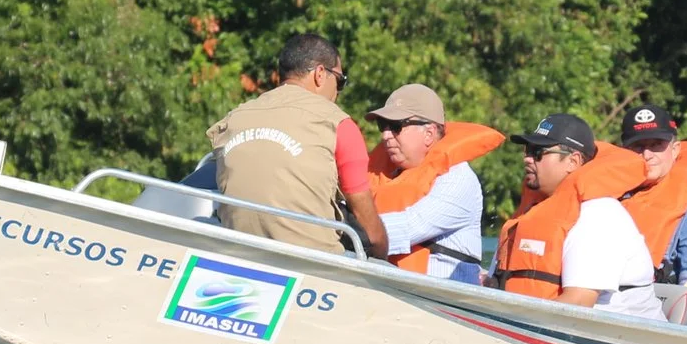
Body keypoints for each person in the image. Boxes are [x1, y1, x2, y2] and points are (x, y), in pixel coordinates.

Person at [207, 33, 388, 255]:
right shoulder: (337, 123)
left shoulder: (234, 118)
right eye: (340, 81)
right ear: (320, 74)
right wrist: (382, 257)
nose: (338, 92)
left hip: (237, 252)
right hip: (312, 263)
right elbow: (370, 229)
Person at [490, 114, 661, 318]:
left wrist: (510, 318)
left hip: (619, 336)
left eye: (538, 152)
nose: (527, 159)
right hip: (552, 328)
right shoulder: (533, 212)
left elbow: (578, 303)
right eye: (527, 150)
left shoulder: (598, 215)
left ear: (573, 161)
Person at [365, 84, 502, 283]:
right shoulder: (384, 176)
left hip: (436, 299)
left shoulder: (458, 178)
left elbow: (409, 227)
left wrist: (349, 230)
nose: (385, 135)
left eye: (395, 126)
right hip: (389, 288)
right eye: (382, 126)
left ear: (429, 133)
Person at [613, 105, 687, 286]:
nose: (647, 155)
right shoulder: (608, 197)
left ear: (675, 149)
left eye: (656, 145)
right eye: (638, 146)